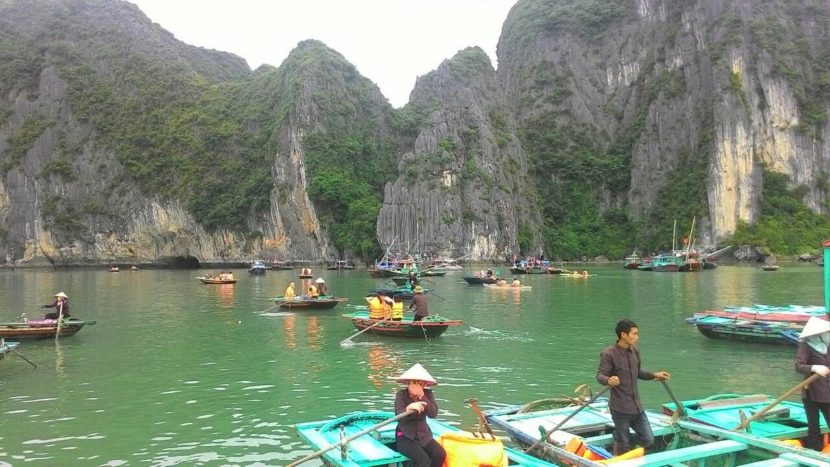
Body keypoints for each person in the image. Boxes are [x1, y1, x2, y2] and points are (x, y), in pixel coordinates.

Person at [596, 319, 670, 455]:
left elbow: (639, 373)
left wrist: (654, 375)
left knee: (648, 439)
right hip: (620, 409)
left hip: (637, 408)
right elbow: (600, 375)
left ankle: (618, 437)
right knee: (623, 447)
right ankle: (621, 445)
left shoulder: (634, 351)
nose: (637, 337)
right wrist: (608, 380)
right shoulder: (609, 354)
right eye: (634, 334)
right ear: (623, 335)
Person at [394, 363, 446, 467]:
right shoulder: (401, 395)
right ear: (408, 383)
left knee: (440, 454)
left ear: (424, 384)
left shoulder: (428, 394)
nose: (417, 385)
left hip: (424, 435)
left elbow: (433, 413)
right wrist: (409, 408)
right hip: (405, 436)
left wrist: (422, 396)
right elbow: (399, 415)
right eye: (414, 382)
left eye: (420, 383)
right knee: (422, 461)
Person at [795, 316, 830, 451]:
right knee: (814, 427)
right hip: (812, 392)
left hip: (828, 390)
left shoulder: (828, 344)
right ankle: (815, 453)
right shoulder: (806, 345)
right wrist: (813, 368)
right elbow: (798, 366)